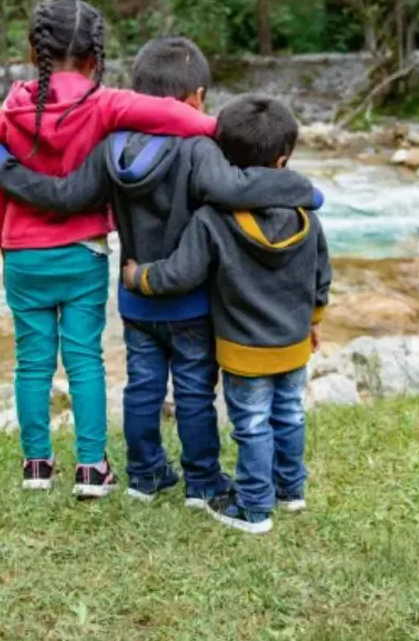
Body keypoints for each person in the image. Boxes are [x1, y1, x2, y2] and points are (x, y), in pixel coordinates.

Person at [0, 36, 323, 507]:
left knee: (142, 387)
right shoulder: (199, 150)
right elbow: (234, 188)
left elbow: (66, 197)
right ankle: (202, 482)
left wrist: (4, 168)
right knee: (192, 392)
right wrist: (299, 189)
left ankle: (144, 475)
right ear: (198, 97)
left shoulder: (112, 147)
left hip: (134, 293)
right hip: (191, 300)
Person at [0, 0, 220, 500]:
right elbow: (183, 119)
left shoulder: (11, 109)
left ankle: (36, 465)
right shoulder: (106, 103)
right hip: (83, 252)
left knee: (31, 361)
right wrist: (231, 131)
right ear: (96, 57)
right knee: (84, 358)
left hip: (22, 251)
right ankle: (92, 468)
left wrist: (2, 243)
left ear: (34, 52)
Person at [121, 94, 332, 534]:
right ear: (283, 159)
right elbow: (321, 277)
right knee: (289, 413)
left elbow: (180, 273)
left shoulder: (214, 219)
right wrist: (313, 321)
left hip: (242, 348)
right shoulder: (307, 216)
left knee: (251, 424)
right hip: (293, 342)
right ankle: (290, 490)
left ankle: (254, 507)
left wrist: (140, 276)